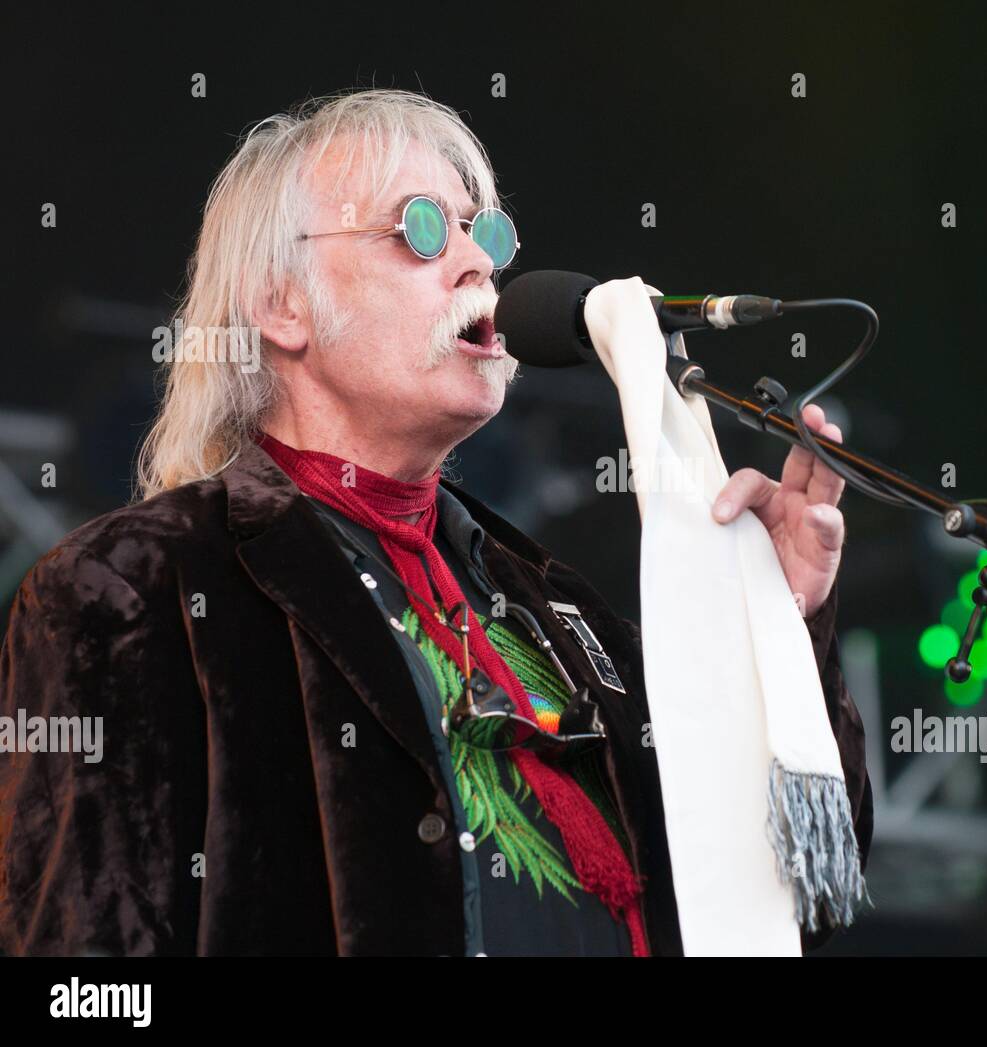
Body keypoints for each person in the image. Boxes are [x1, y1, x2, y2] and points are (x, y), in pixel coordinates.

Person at [0, 89, 871, 956]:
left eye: (483, 233)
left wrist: (779, 628)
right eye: (419, 228)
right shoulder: (137, 586)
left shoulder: (554, 603)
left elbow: (787, 900)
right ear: (281, 307)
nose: (475, 265)